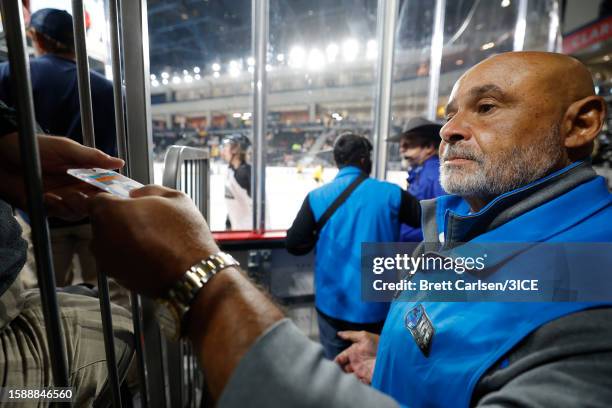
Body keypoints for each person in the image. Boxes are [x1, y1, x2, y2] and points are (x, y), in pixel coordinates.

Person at [86, 51, 612, 407]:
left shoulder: (595, 288)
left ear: (581, 122)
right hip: (368, 313)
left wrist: (200, 282)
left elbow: (296, 243)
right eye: (450, 114)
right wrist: (395, 355)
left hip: (331, 300)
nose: (449, 130)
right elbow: (472, 345)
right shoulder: (480, 227)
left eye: (488, 107)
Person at [0, 103, 134, 406]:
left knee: (66, 285)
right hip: (86, 206)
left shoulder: (17, 75)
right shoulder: (107, 89)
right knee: (119, 333)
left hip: (51, 214)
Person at [0, 8, 117, 290]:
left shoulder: (10, 75)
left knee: (49, 296)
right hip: (95, 208)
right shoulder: (106, 88)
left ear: (37, 37)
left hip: (40, 211)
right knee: (106, 298)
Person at [285, 133, 421, 359]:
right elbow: (425, 219)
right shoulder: (392, 194)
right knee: (376, 371)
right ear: (363, 160)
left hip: (333, 306)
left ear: (338, 162)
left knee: (338, 371)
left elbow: (294, 244)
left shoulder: (317, 197)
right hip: (378, 308)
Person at [387, 117, 446, 242]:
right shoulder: (423, 172)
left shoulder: (434, 175)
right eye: (401, 145)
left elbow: (444, 219)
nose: (401, 149)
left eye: (407, 144)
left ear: (429, 147)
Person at [220, 133, 252, 230]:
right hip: (238, 231)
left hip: (248, 235)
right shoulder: (232, 171)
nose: (223, 150)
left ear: (235, 149)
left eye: (226, 146)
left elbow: (258, 206)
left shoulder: (245, 173)